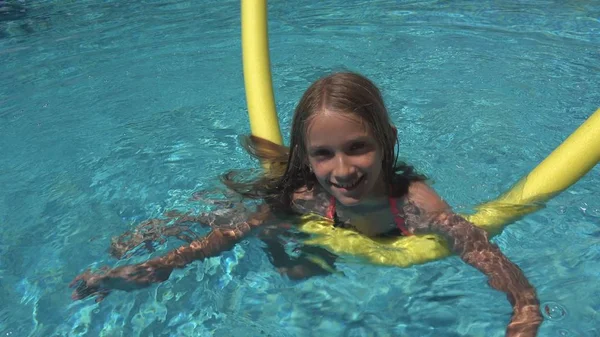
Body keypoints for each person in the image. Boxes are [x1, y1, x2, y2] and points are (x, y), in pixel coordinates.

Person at [70, 71, 543, 336]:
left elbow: (484, 253)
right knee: (240, 215)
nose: (343, 170)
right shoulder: (308, 194)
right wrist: (159, 265)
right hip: (300, 210)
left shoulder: (414, 203)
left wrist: (524, 310)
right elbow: (226, 236)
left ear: (388, 141)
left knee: (293, 256)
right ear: (308, 158)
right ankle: (153, 232)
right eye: (324, 154)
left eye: (358, 147)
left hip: (361, 228)